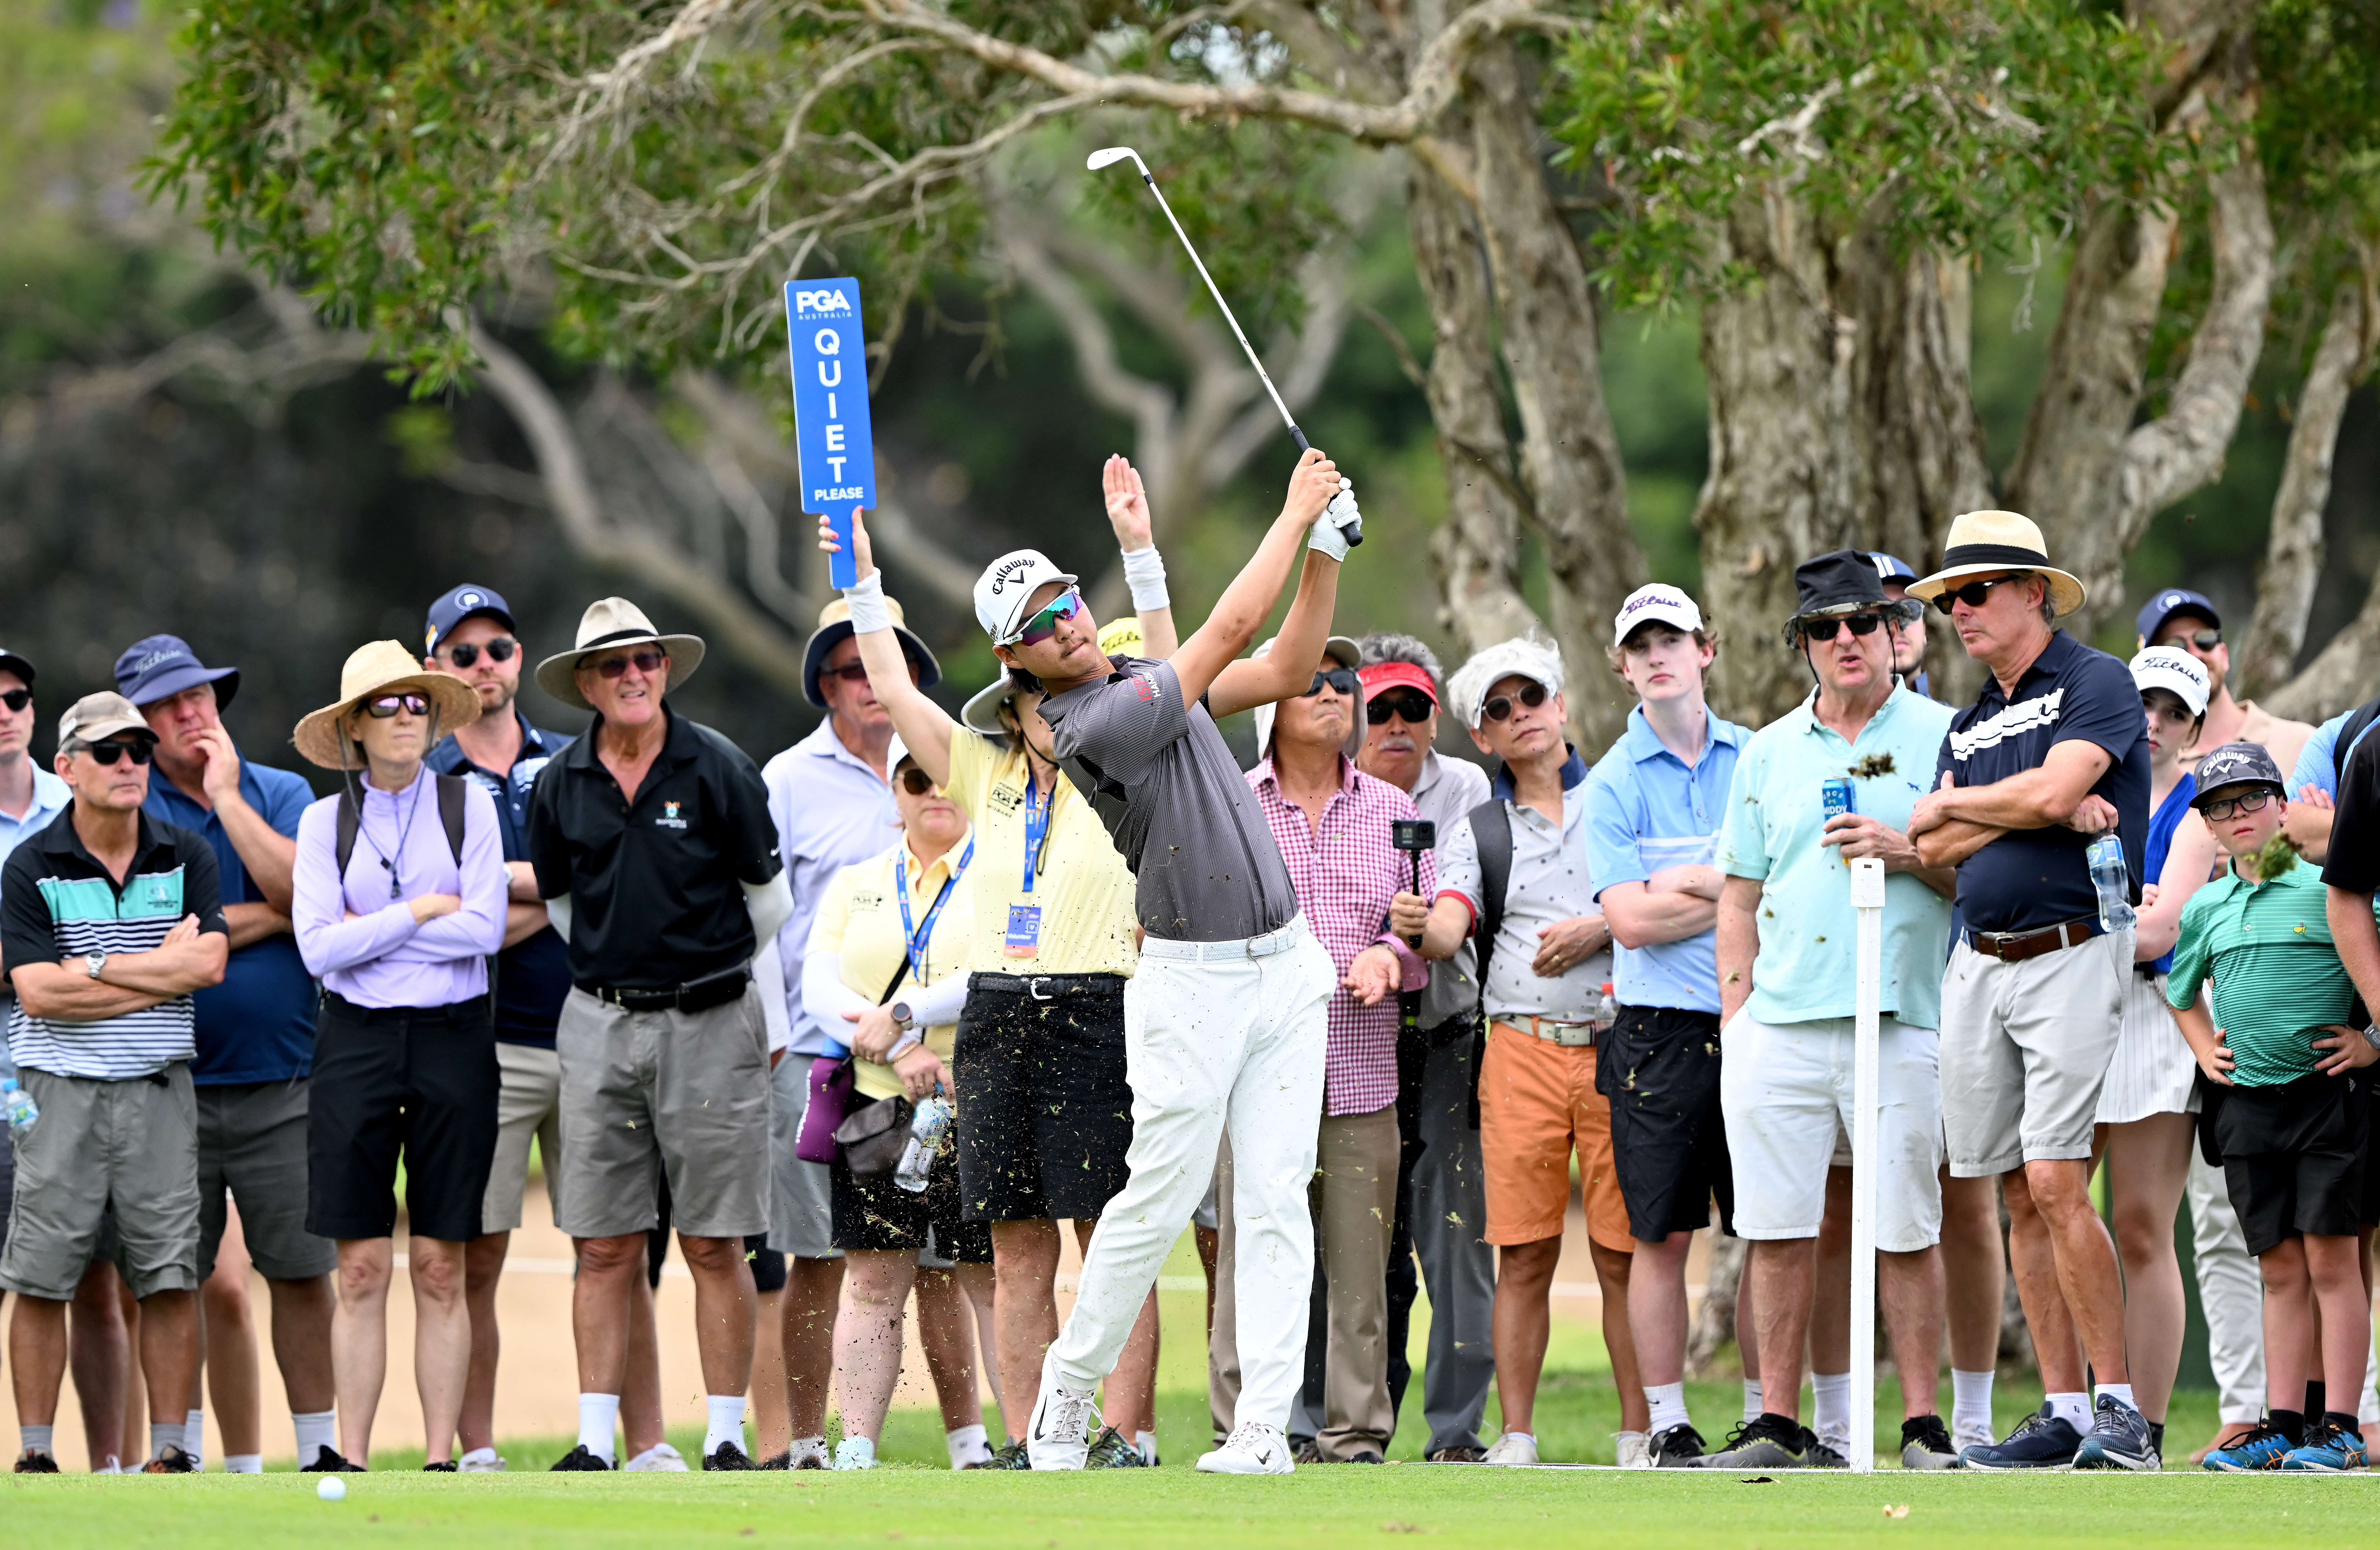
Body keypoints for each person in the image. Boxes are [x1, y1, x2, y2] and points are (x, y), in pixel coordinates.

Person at [898, 445, 1350, 1474]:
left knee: (1278, 1195)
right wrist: (1290, 513)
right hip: (1189, 982)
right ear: (1019, 667)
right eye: (1039, 625)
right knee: (1153, 1197)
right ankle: (1065, 1395)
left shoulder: (1143, 677)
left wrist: (1324, 548)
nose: (1062, 621)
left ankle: (1263, 1429)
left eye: (1063, 599)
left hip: (1284, 966)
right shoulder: (1089, 724)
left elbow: (1283, 666)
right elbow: (1229, 629)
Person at [817, 455, 1173, 1470]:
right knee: (1017, 1247)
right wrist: (862, 582)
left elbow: (1171, 661)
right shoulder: (982, 769)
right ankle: (1028, 1440)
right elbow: (889, 684)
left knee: (1108, 1240)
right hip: (999, 1015)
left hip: (1099, 1005)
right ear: (1011, 698)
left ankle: (1127, 1432)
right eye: (1034, 706)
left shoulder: (1127, 750)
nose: (1053, 722)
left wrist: (1137, 552)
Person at [1904, 510, 2152, 1470]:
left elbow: (2040, 803)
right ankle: (2064, 1415)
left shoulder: (2097, 681)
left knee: (2054, 1177)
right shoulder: (1968, 718)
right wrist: (2012, 806)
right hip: (1980, 960)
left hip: (2072, 946)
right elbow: (1930, 849)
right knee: (2014, 1189)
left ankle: (2122, 1412)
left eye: (1975, 592)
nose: (1958, 611)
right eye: (1949, 598)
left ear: (2033, 594)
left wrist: (1964, 802)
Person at [1702, 551, 1960, 1471]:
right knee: (1773, 1230)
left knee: (1904, 1228)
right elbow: (1737, 893)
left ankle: (1924, 1429)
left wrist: (1904, 850)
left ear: (1894, 633)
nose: (1844, 641)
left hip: (1898, 1016)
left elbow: (1977, 875)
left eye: (1860, 623)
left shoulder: (1946, 735)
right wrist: (1736, 1015)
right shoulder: (1767, 750)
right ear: (1803, 645)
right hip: (1778, 1023)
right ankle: (1777, 1421)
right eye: (1823, 628)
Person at [526, 598, 791, 1472]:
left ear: (664, 669)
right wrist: (620, 969)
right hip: (600, 1019)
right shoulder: (562, 781)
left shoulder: (718, 767)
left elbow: (769, 903)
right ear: (587, 685)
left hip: (713, 1021)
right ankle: (596, 1441)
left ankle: (722, 1435)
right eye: (613, 665)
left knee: (714, 1238)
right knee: (603, 1240)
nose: (632, 674)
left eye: (645, 659)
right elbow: (562, 904)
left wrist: (702, 972)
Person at [1411, 636, 1648, 1467]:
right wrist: (1421, 927)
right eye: (1499, 710)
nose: (1521, 718)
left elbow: (1677, 893)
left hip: (1624, 1050)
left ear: (1562, 704)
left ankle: (1638, 1433)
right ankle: (1515, 1435)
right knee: (1524, 1252)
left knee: (1624, 1254)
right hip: (1519, 1052)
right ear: (1482, 737)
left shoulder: (1623, 792)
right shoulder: (1478, 828)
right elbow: (1449, 921)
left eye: (1532, 698)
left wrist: (1601, 924)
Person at [115, 634, 339, 1473]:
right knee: (172, 1276)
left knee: (301, 1268)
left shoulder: (280, 792)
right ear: (138, 726)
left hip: (283, 1075)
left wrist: (229, 797)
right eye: (171, 703)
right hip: (165, 1079)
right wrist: (269, 916)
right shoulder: (128, 809)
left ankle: (319, 1449)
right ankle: (178, 1450)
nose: (193, 711)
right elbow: (146, 937)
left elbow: (304, 894)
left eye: (200, 694)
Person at [1212, 634, 1429, 1466]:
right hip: (1255, 1078)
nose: (1335, 691)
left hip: (1361, 1071)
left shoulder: (1391, 810)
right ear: (1270, 706)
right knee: (1247, 1264)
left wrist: (1392, 954)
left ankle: (1353, 1435)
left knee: (1359, 1273)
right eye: (1312, 680)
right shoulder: (1228, 805)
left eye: (1344, 681)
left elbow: (1413, 930)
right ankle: (1243, 1429)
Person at [288, 642, 506, 1469]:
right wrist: (419, 909)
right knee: (361, 1265)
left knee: (441, 1264)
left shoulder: (468, 805)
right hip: (356, 1040)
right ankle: (349, 1452)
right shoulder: (322, 821)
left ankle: (440, 1459)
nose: (407, 716)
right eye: (387, 704)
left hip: (454, 1036)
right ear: (353, 725)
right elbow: (317, 950)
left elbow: (483, 930)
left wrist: (366, 930)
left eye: (418, 702)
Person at [3, 691, 228, 1472]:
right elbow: (36, 992)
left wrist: (90, 965)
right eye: (108, 752)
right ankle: (35, 1453)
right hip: (57, 1088)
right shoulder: (29, 865)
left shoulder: (185, 852)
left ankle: (171, 1450)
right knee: (42, 1274)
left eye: (137, 748)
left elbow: (208, 963)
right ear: (67, 768)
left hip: (159, 1089)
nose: (130, 762)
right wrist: (155, 971)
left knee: (168, 1271)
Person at [758, 587, 942, 1469]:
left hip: (940, 1061)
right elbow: (759, 916)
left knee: (947, 1259)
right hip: (822, 1056)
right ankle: (804, 1440)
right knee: (820, 1257)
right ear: (824, 686)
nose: (874, 683)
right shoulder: (786, 780)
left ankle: (971, 1440)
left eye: (889, 665)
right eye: (854, 668)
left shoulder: (953, 764)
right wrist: (773, 1030)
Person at [1584, 583, 1748, 1467]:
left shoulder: (1759, 758)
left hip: (1756, 1016)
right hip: (1656, 1029)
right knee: (1662, 1233)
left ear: (1705, 650)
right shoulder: (1610, 780)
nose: (1656, 656)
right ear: (1622, 665)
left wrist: (1682, 882)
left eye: (1671, 640)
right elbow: (1631, 923)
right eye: (1639, 645)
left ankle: (1767, 1411)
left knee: (1764, 1227)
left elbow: (1791, 887)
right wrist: (1729, 886)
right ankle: (1667, 1418)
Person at [802, 733, 997, 1470]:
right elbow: (819, 988)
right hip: (882, 1106)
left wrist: (907, 1015)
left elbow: (993, 969)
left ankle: (1029, 1445)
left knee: (990, 1276)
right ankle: (855, 1447)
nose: (934, 790)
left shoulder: (998, 870)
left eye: (947, 776)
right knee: (874, 1276)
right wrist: (899, 1045)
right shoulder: (858, 880)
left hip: (980, 1098)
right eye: (916, 778)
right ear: (895, 792)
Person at [2178, 743, 2375, 1470]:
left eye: (2252, 798)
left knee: (2332, 1259)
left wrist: (2374, 1039)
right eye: (2220, 805)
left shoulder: (2331, 886)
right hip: (2248, 1108)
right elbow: (2179, 990)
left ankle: (2342, 1426)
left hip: (2327, 1095)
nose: (2238, 815)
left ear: (2282, 806)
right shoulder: (2205, 904)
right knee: (2278, 1267)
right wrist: (2202, 1046)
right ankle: (2283, 1425)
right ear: (2206, 822)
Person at [1351, 634, 1496, 1464]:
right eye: (1381, 710)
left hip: (1445, 1037)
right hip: (1357, 1040)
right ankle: (1347, 1422)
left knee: (1454, 1238)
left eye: (1414, 708)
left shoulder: (1466, 785)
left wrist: (1421, 930)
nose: (1398, 725)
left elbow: (1452, 909)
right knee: (1360, 1243)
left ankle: (1455, 1433)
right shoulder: (1329, 791)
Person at [2092, 645, 2226, 1465]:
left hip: (2155, 1016)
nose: (2153, 722)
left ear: (2195, 727)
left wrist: (2110, 919)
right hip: (2072, 1011)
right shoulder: (2085, 781)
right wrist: (2120, 919)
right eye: (2144, 702)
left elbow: (2165, 929)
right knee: (2054, 1211)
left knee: (2141, 1226)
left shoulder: (2196, 806)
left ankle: (2140, 1428)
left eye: (2174, 712)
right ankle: (2078, 1407)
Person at [0, 643, 72, 1416]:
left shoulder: (79, 800)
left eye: (16, 697)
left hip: (83, 1071)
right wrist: (42, 962)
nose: (4, 711)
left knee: (97, 1282)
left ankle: (117, 1469)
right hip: (2, 1081)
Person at [2136, 589, 2315, 779]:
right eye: (2175, 647)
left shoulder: (2304, 744)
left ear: (2224, 654)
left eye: (2205, 639)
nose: (2196, 654)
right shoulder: (2141, 769)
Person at [1870, 553, 1932, 697]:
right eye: (1882, 615)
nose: (1898, 626)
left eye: (1909, 611)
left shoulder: (1955, 719)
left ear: (1925, 629)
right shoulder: (1811, 719)